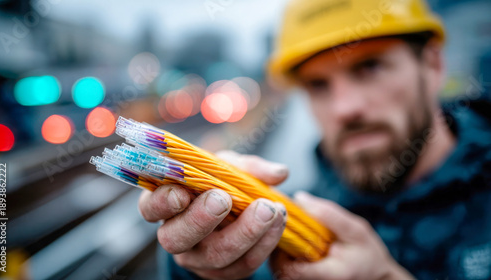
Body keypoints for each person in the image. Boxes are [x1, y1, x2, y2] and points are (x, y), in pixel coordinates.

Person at [139, 0, 491, 279]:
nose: (345, 108)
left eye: (369, 67)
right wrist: (201, 264)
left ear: (432, 64)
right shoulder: (287, 232)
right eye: (318, 85)